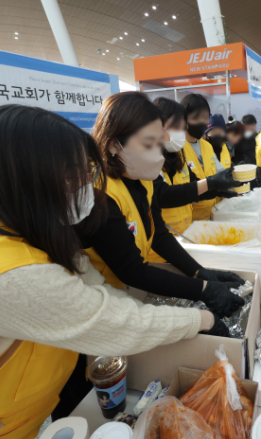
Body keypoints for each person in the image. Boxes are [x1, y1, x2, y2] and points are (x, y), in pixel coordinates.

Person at [0, 104, 226, 438]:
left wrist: (199, 283)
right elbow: (118, 322)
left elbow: (92, 282)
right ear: (31, 181)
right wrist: (203, 319)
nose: (86, 187)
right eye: (75, 176)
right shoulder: (6, 274)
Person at [83, 92, 245, 320]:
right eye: (148, 143)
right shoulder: (98, 195)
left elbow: (159, 235)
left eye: (160, 143)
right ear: (113, 145)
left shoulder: (141, 179)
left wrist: (199, 272)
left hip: (128, 294)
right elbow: (132, 270)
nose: (158, 155)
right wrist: (203, 289)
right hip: (102, 304)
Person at [145, 98, 240, 263]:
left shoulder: (176, 155)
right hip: (158, 248)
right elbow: (162, 194)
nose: (180, 133)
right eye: (175, 127)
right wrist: (211, 183)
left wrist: (219, 189)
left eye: (182, 128)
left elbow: (194, 185)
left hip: (184, 236)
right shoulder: (146, 159)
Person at [180, 94, 226, 221]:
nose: (202, 122)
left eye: (205, 118)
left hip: (211, 217)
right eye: (196, 117)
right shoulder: (177, 148)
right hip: (188, 222)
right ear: (183, 118)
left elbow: (220, 171)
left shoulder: (207, 146)